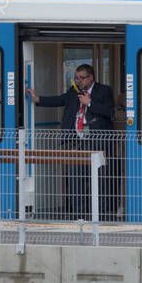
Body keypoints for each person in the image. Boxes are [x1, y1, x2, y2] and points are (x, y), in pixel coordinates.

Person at [26, 64, 120, 220]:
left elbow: (109, 112)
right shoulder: (73, 91)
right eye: (76, 78)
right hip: (77, 142)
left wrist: (89, 102)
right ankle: (78, 214)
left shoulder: (104, 91)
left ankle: (103, 214)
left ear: (91, 77)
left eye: (82, 78)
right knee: (76, 177)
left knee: (101, 179)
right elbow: (60, 100)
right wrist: (38, 99)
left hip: (99, 143)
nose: (79, 81)